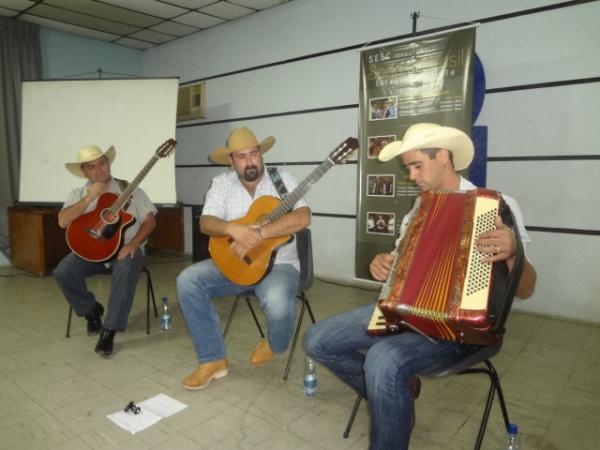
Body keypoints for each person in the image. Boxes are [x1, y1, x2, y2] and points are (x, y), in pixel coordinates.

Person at [304, 123, 537, 450]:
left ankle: (390, 391)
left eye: (416, 166)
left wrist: (514, 252)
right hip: (404, 313)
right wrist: (383, 264)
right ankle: (396, 393)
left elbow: (526, 289)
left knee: (383, 360)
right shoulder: (420, 209)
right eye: (408, 168)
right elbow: (402, 270)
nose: (411, 175)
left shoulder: (498, 206)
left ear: (443, 156)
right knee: (318, 340)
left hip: (463, 329)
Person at [177, 127, 311, 390]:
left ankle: (275, 343)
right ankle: (213, 359)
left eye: (253, 154)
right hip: (237, 264)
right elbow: (206, 223)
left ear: (261, 154)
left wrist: (261, 233)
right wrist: (232, 229)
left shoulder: (282, 179)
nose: (249, 161)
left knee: (278, 305)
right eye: (241, 156)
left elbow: (303, 217)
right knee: (188, 281)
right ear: (231, 160)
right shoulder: (222, 183)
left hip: (279, 265)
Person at [53, 145, 157, 357]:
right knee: (63, 271)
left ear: (108, 164)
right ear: (84, 172)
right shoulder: (78, 194)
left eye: (102, 163)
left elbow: (150, 221)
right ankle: (91, 311)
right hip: (91, 253)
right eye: (91, 167)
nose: (99, 170)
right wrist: (89, 198)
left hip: (125, 250)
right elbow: (63, 222)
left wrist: (134, 244)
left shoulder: (131, 190)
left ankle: (109, 330)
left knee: (127, 265)